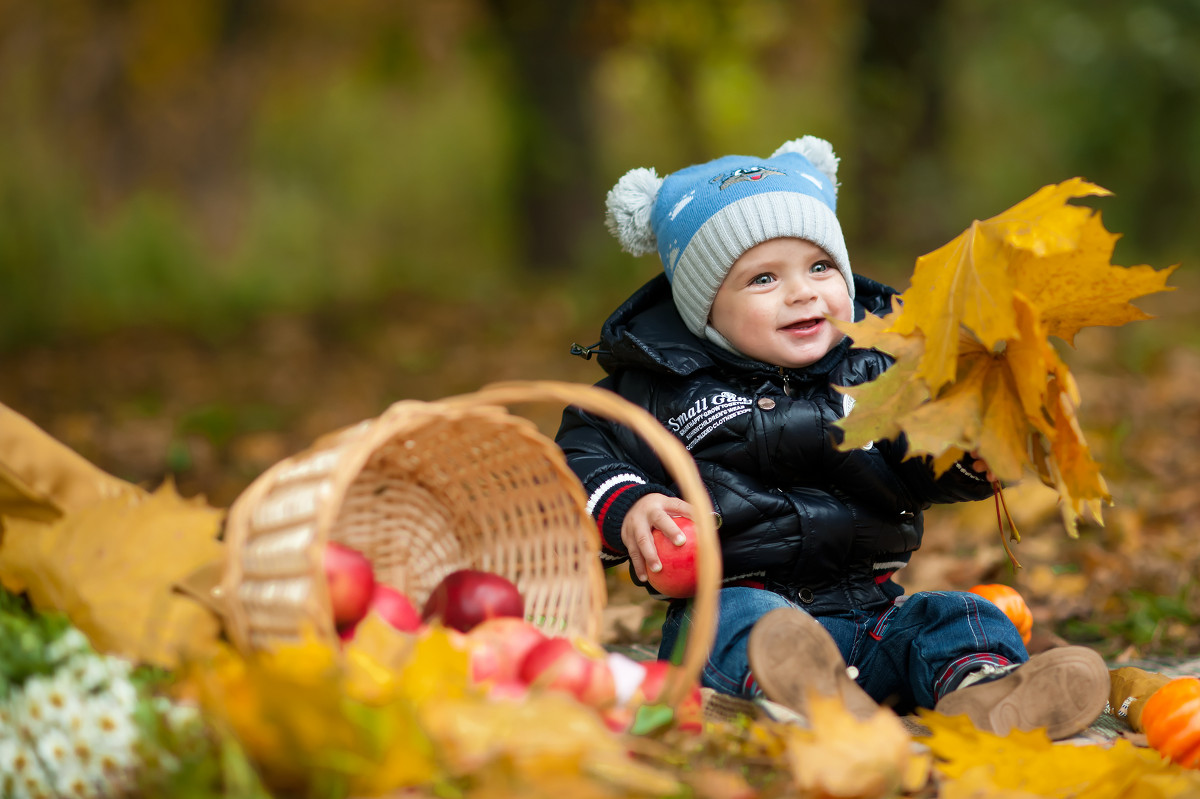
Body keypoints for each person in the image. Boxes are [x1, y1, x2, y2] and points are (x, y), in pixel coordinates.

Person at [554, 135, 1110, 739]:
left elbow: (918, 462)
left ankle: (983, 692)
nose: (802, 292)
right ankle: (812, 697)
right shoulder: (662, 388)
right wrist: (628, 503)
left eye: (820, 267)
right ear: (704, 311)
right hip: (734, 601)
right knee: (743, 626)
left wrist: (969, 457)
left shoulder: (879, 367)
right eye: (763, 279)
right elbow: (580, 452)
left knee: (959, 615)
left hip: (871, 612)